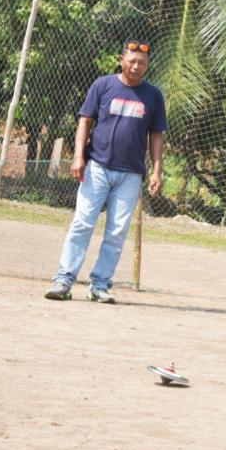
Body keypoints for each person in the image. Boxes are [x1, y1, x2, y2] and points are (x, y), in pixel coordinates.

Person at [44, 40, 167, 304]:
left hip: (131, 175)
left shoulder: (153, 96)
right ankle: (63, 280)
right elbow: (85, 121)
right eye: (132, 61)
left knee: (116, 231)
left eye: (142, 63)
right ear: (122, 59)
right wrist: (78, 157)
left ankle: (99, 285)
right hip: (97, 167)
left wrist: (157, 172)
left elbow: (156, 135)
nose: (136, 66)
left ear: (147, 66)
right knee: (83, 223)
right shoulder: (103, 85)